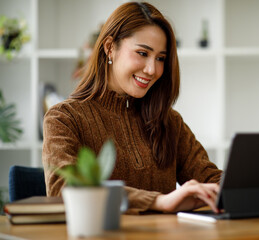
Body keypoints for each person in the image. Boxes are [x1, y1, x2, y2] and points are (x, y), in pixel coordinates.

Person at [42, 1, 222, 214]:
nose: (152, 69)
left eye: (161, 58)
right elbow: (65, 191)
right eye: (142, 53)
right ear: (110, 48)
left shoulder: (170, 121)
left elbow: (213, 179)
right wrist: (158, 202)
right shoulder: (63, 118)